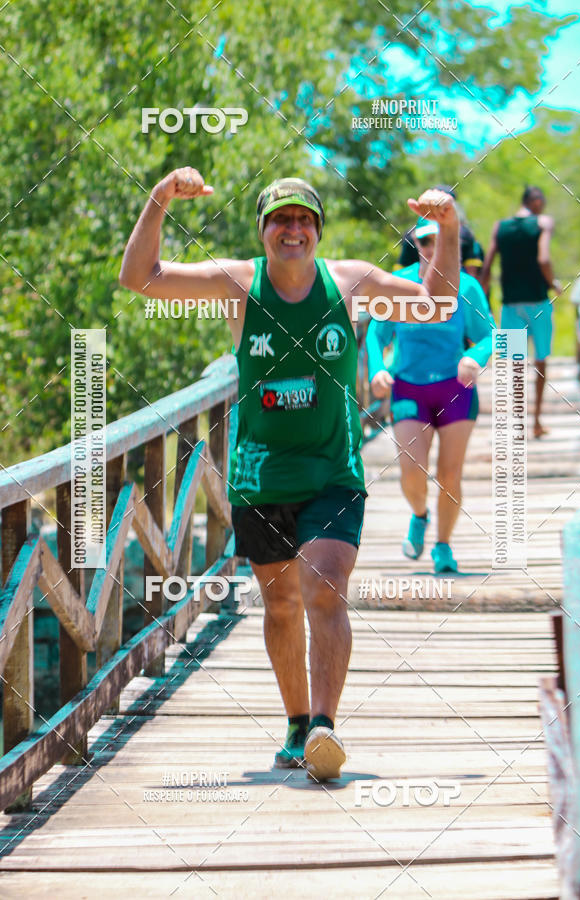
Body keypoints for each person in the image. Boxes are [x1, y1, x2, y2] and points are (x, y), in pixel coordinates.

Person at [119, 170, 460, 780]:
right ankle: (298, 721)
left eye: (305, 219)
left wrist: (450, 226)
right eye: (282, 219)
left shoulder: (350, 282)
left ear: (318, 230)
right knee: (279, 608)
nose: (294, 229)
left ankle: (326, 725)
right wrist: (159, 199)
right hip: (260, 477)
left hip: (333, 472)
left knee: (324, 587)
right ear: (264, 230)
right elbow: (140, 277)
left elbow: (435, 305)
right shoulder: (238, 285)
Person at [368, 215, 495, 573]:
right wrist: (378, 369)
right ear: (416, 247)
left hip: (456, 390)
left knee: (450, 474)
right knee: (412, 472)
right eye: (425, 243)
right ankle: (419, 515)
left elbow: (488, 335)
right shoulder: (399, 285)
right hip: (409, 387)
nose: (433, 250)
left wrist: (473, 357)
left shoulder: (467, 288)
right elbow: (378, 336)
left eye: (441, 242)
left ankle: (443, 546)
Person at [481, 186, 561, 438]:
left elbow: (487, 269)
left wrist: (482, 302)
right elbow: (544, 260)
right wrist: (553, 284)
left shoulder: (500, 227)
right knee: (540, 361)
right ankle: (536, 421)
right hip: (538, 302)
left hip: (510, 305)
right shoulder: (543, 223)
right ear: (536, 202)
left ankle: (517, 423)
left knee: (514, 365)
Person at [399, 184, 485, 282]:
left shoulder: (465, 235)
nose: (432, 249)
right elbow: (401, 271)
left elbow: (473, 274)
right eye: (424, 242)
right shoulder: (411, 236)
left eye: (439, 241)